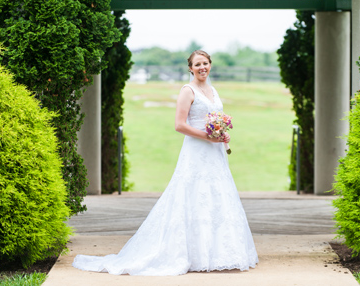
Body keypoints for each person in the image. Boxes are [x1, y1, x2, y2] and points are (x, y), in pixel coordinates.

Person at [72, 50, 258, 275]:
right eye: (197, 64)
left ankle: (220, 253)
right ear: (190, 68)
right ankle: (191, 254)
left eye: (205, 63)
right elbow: (180, 125)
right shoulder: (187, 91)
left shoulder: (212, 90)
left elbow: (215, 119)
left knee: (216, 195)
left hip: (215, 153)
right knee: (192, 194)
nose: (202, 67)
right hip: (196, 151)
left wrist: (222, 134)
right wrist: (207, 136)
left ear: (210, 65)